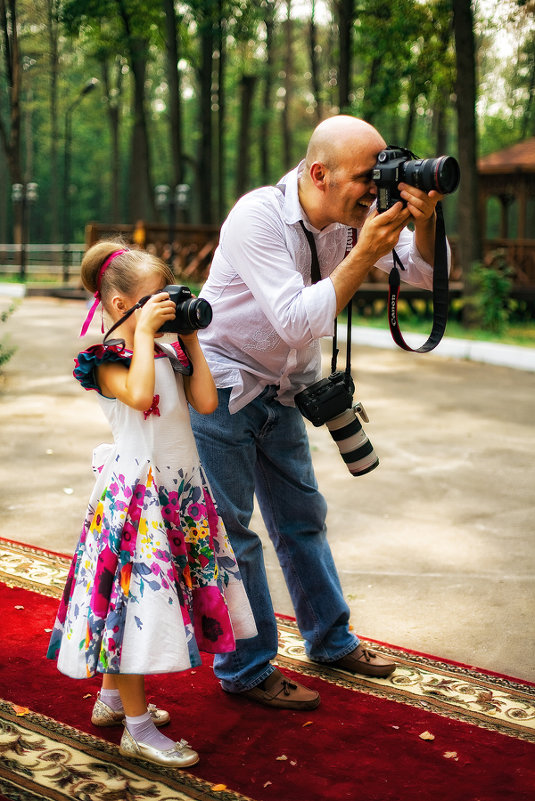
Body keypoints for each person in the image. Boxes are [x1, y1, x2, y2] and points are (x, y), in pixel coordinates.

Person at [189, 115, 449, 710]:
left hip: (284, 388)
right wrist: (366, 254)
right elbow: (297, 319)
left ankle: (330, 641)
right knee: (235, 535)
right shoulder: (256, 218)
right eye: (368, 175)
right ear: (319, 173)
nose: (378, 188)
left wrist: (425, 223)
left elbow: (429, 273)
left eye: (385, 172)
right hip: (222, 386)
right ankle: (248, 669)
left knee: (303, 517)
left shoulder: (351, 218)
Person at [47, 242, 257, 765]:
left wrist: (191, 339)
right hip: (137, 500)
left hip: (180, 490)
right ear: (120, 305)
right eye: (153, 301)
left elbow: (207, 403)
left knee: (149, 601)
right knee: (135, 607)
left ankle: (113, 698)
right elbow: (140, 397)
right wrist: (142, 335)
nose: (164, 307)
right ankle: (137, 729)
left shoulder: (166, 351)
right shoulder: (104, 361)